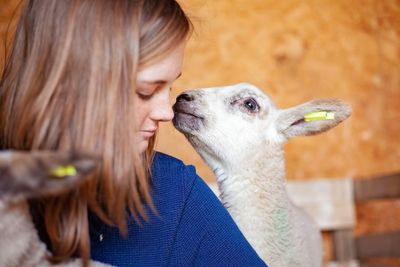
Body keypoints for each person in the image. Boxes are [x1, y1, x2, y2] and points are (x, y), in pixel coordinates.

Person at [0, 0, 267, 266]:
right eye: (146, 91)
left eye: (170, 88)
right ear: (70, 82)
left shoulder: (175, 194)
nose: (167, 112)